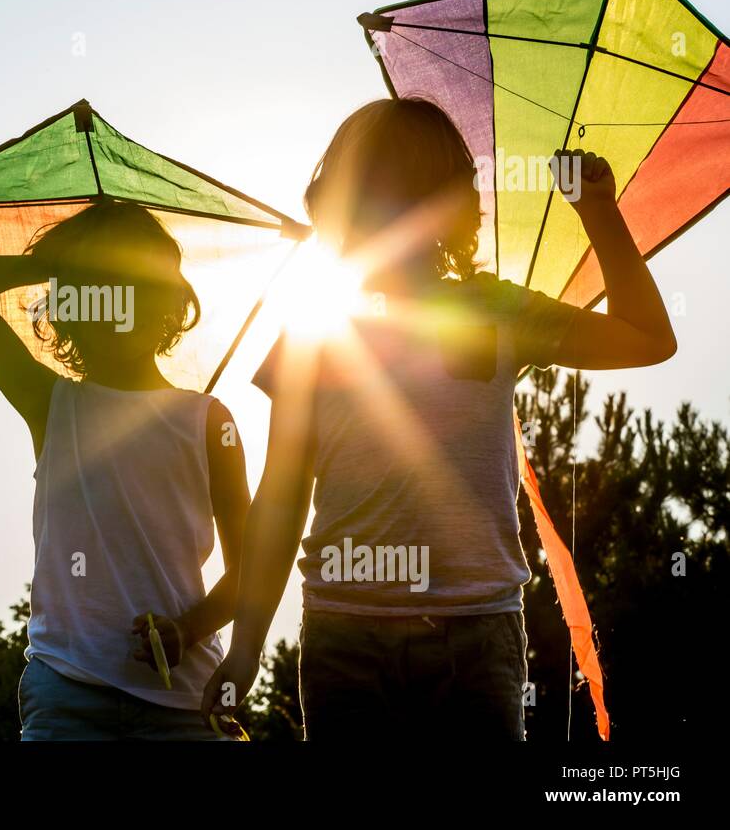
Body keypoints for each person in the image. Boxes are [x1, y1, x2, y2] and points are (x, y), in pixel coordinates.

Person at [202, 97, 677, 740]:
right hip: (347, 636)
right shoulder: (314, 329)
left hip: (474, 635)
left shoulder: (495, 310)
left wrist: (597, 209)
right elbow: (281, 498)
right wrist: (246, 646)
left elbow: (648, 338)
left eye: (408, 189)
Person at [0, 199, 250, 740]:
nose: (114, 305)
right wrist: (60, 262)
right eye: (96, 289)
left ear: (168, 305)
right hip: (66, 691)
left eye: (133, 285)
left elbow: (253, 567)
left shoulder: (208, 421)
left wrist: (190, 628)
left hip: (182, 700)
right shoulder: (50, 402)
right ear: (69, 309)